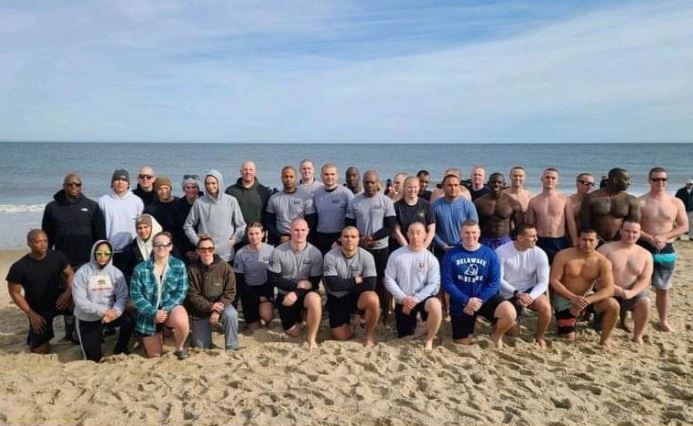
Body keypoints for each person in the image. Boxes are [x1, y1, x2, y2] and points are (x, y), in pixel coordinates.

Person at [441, 220, 516, 348]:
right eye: (467, 233)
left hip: (484, 298)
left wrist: (479, 300)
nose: (470, 236)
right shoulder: (451, 255)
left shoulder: (490, 254)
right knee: (463, 343)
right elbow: (447, 283)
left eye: (474, 232)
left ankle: (496, 336)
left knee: (509, 313)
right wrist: (466, 300)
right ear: (460, 234)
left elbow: (494, 282)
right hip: (462, 302)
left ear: (479, 233)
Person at [6, 230, 75, 354]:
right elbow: (14, 293)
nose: (43, 245)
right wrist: (31, 314)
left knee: (77, 301)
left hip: (60, 300)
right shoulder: (19, 267)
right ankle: (34, 337)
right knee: (40, 350)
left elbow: (70, 274)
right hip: (39, 308)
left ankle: (73, 330)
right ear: (29, 243)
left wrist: (68, 292)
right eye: (38, 242)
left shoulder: (57, 256)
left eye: (45, 241)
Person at [638, 167, 689, 332]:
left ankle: (662, 320)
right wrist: (650, 238)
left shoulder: (675, 202)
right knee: (640, 287)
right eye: (656, 179)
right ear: (649, 180)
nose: (660, 182)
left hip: (666, 249)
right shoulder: (640, 202)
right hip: (643, 248)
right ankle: (637, 319)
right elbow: (633, 227)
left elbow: (684, 226)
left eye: (663, 179)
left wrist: (664, 237)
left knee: (663, 288)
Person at [549, 228, 619, 348]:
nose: (587, 243)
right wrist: (573, 298)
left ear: (597, 242)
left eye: (591, 240)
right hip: (565, 299)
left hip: (587, 298)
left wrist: (587, 301)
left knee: (613, 305)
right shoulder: (563, 255)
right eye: (584, 240)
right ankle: (567, 322)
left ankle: (605, 339)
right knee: (568, 338)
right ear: (578, 240)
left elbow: (609, 289)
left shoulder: (602, 261)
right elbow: (554, 281)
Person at [345, 170, 397, 324]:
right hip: (361, 248)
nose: (369, 185)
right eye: (366, 182)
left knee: (383, 281)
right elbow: (349, 224)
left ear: (378, 183)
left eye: (372, 182)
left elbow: (390, 226)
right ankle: (361, 311)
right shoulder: (355, 201)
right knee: (360, 279)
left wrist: (374, 237)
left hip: (381, 248)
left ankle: (385, 312)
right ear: (363, 183)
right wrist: (360, 239)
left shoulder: (386, 201)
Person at [129, 231, 190, 359]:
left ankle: (179, 347)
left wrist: (164, 310)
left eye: (165, 244)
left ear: (171, 247)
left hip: (170, 310)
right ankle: (153, 336)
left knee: (181, 320)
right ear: (153, 247)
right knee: (154, 356)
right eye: (157, 244)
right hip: (149, 316)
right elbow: (136, 295)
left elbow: (181, 292)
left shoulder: (179, 266)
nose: (161, 247)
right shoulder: (140, 269)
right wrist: (153, 313)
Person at [72, 240, 134, 361]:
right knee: (93, 359)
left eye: (106, 253)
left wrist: (115, 312)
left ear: (111, 254)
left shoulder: (116, 273)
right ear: (94, 253)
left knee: (129, 321)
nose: (102, 256)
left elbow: (122, 296)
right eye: (99, 253)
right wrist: (104, 311)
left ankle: (120, 348)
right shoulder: (82, 272)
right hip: (88, 318)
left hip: (109, 315)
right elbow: (80, 301)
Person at [384, 223, 442, 350]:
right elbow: (389, 279)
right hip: (403, 300)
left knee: (436, 306)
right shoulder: (396, 255)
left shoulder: (430, 258)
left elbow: (434, 284)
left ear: (425, 235)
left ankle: (429, 340)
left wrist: (415, 299)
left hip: (422, 299)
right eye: (412, 232)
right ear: (407, 234)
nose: (415, 236)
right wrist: (403, 298)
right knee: (405, 337)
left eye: (418, 232)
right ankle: (421, 327)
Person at [268, 218, 323, 349]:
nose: (300, 233)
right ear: (290, 231)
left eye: (303, 230)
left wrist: (297, 293)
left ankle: (311, 339)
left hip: (305, 294)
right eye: (296, 230)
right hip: (285, 294)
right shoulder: (278, 251)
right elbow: (273, 279)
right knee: (294, 332)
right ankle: (304, 318)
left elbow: (314, 282)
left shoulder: (315, 253)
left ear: (308, 231)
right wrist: (295, 287)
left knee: (315, 299)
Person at [495, 224, 551, 349]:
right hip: (509, 292)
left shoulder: (540, 253)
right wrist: (517, 293)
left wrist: (530, 297)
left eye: (536, 236)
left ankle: (540, 336)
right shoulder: (501, 251)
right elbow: (498, 279)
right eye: (532, 236)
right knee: (513, 333)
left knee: (546, 308)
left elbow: (543, 282)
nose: (536, 239)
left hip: (529, 291)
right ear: (520, 238)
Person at [323, 226, 380, 347]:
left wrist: (342, 283)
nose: (349, 240)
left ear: (359, 239)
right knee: (341, 336)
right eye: (346, 236)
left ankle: (369, 335)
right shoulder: (330, 256)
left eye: (353, 237)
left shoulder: (367, 256)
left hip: (357, 297)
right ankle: (354, 324)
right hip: (338, 298)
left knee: (372, 298)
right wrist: (355, 280)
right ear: (340, 239)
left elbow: (370, 285)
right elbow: (333, 285)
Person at [598, 221, 653, 344]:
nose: (631, 235)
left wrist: (631, 292)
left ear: (639, 234)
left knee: (645, 301)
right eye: (627, 231)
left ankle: (637, 336)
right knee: (600, 322)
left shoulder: (646, 254)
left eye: (635, 232)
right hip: (607, 292)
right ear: (620, 231)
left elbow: (645, 279)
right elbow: (596, 276)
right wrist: (612, 288)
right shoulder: (606, 249)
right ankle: (606, 337)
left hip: (630, 293)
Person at [186, 234, 240, 351]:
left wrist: (216, 310)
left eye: (210, 249)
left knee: (231, 315)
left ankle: (232, 346)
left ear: (214, 250)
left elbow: (230, 291)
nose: (207, 252)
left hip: (221, 306)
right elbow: (193, 295)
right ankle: (205, 330)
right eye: (203, 249)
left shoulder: (225, 267)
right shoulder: (191, 269)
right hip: (200, 310)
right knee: (201, 346)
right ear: (198, 251)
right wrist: (210, 306)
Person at [42, 172, 106, 269]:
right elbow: (47, 235)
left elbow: (100, 234)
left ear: (81, 187)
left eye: (77, 184)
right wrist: (46, 257)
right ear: (64, 186)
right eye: (70, 184)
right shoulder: (52, 207)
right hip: (62, 260)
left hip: (87, 260)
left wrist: (100, 257)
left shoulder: (92, 206)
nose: (74, 186)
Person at [184, 170, 246, 263]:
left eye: (213, 183)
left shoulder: (231, 201)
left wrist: (235, 239)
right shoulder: (199, 203)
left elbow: (241, 225)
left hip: (226, 255)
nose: (210, 186)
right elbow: (188, 226)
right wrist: (197, 241)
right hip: (206, 254)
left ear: (219, 183)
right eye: (207, 183)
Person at [526, 168, 578, 264]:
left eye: (553, 178)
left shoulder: (564, 200)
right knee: (539, 269)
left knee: (559, 269)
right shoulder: (534, 201)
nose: (550, 180)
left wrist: (574, 241)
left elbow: (570, 222)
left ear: (557, 181)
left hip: (559, 240)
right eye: (547, 177)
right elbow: (529, 225)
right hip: (540, 240)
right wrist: (528, 241)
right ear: (542, 179)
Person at [98, 169, 144, 271]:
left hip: (131, 251)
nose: (120, 182)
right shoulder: (103, 201)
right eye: (117, 179)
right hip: (109, 250)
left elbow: (140, 226)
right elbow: (99, 226)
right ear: (112, 183)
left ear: (128, 183)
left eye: (123, 180)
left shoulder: (136, 201)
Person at [580, 167, 641, 243]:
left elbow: (633, 226)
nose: (628, 183)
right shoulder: (591, 198)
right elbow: (585, 224)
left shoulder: (631, 200)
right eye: (626, 179)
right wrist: (598, 240)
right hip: (595, 242)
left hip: (621, 242)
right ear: (615, 180)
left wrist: (617, 241)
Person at [234, 223, 275, 330]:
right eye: (251, 234)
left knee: (267, 315)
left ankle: (267, 315)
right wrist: (256, 298)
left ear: (263, 234)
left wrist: (265, 296)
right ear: (247, 235)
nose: (254, 237)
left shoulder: (271, 250)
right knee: (254, 328)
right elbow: (240, 281)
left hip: (265, 288)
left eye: (257, 233)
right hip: (248, 291)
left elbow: (274, 277)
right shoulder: (241, 253)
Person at [265, 165, 316, 245]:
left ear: (296, 178)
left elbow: (311, 221)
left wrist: (297, 236)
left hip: (301, 238)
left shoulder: (306, 197)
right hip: (281, 239)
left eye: (291, 177)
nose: (288, 179)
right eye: (286, 176)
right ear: (281, 178)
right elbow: (269, 222)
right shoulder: (274, 198)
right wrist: (280, 236)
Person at [225, 160, 272, 244]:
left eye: (251, 170)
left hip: (257, 238)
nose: (248, 172)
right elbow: (226, 216)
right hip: (236, 238)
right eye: (245, 169)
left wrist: (264, 234)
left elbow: (267, 217)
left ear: (255, 172)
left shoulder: (264, 191)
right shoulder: (231, 191)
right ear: (241, 172)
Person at [432, 174, 478, 258]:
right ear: (443, 187)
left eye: (456, 185)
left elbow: (474, 228)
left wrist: (462, 244)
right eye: (449, 185)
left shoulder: (468, 205)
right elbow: (431, 230)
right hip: (442, 250)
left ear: (459, 187)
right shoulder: (435, 206)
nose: (453, 188)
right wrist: (442, 245)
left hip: (464, 249)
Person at [312, 163, 354, 255]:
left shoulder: (346, 193)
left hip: (340, 237)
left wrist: (340, 240)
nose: (329, 177)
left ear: (337, 175)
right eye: (326, 174)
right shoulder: (316, 193)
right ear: (321, 176)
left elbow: (352, 220)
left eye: (332, 174)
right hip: (320, 236)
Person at [474, 172, 523, 249]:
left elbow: (519, 226)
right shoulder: (479, 202)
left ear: (504, 185)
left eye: (499, 182)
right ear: (488, 184)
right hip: (484, 240)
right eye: (493, 182)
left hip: (505, 240)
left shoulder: (512, 203)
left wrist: (515, 241)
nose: (496, 184)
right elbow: (474, 224)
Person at [393, 176, 436, 249]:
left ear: (419, 188)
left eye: (415, 187)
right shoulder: (397, 206)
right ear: (404, 188)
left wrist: (423, 248)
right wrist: (407, 248)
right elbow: (396, 231)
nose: (413, 190)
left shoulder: (426, 205)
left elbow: (431, 230)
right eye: (409, 187)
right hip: (403, 248)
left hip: (423, 248)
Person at [121, 214, 163, 283]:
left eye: (146, 227)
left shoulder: (164, 246)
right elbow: (126, 273)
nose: (143, 231)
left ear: (152, 227)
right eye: (139, 228)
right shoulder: (129, 249)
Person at [172, 175, 203, 263]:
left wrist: (200, 249)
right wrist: (185, 251)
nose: (190, 190)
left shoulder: (204, 203)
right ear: (183, 189)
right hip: (185, 250)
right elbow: (176, 232)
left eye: (194, 187)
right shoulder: (178, 206)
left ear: (198, 189)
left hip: (203, 248)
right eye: (187, 187)